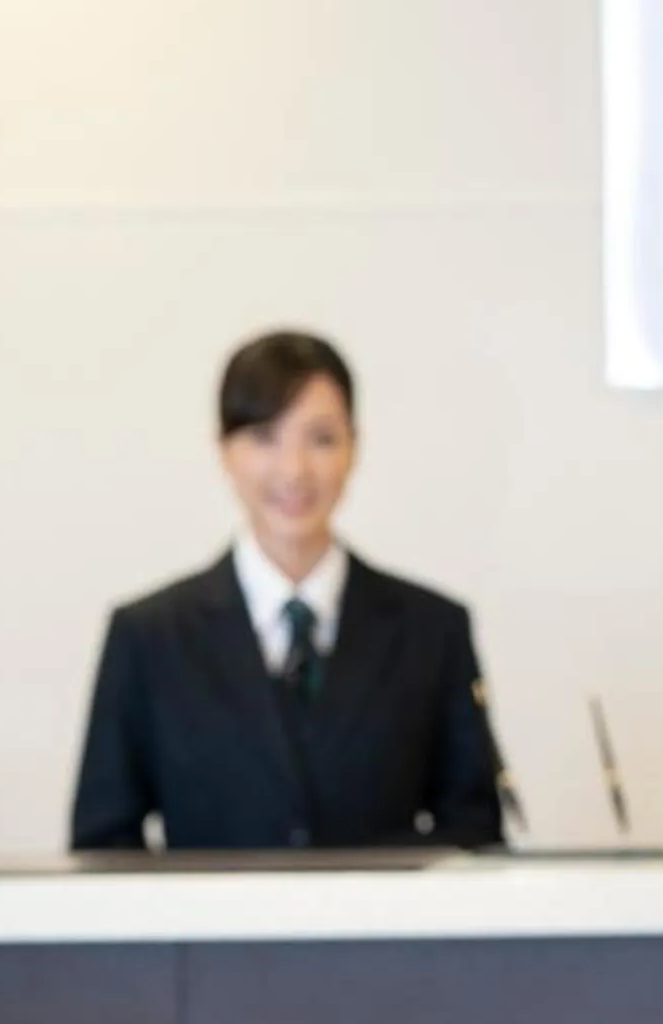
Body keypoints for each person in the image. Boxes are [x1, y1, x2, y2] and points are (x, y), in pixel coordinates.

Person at [70, 329, 509, 853]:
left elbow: (475, 833)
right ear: (225, 452)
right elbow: (103, 846)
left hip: (381, 934)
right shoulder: (147, 638)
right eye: (264, 438)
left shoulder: (433, 630)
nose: (294, 470)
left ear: (354, 447)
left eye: (321, 438)